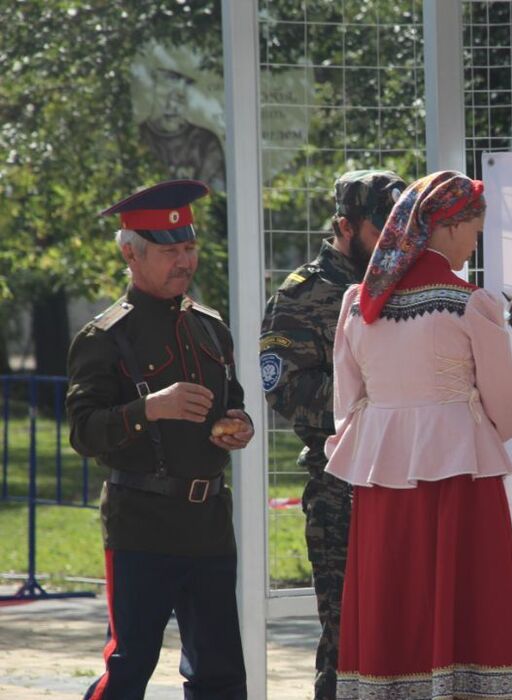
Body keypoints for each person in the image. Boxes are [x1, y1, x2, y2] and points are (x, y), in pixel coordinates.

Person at [324, 170, 512, 699]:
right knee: (468, 592)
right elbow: (507, 405)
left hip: (381, 476)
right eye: (473, 230)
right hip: (458, 472)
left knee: (391, 590)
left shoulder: (358, 302)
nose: (474, 244)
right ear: (447, 226)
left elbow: (348, 401)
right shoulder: (468, 302)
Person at [67, 179, 254, 700]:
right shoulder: (105, 337)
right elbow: (83, 431)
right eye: (170, 251)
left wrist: (238, 425)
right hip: (141, 525)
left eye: (189, 248)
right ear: (131, 253)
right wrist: (150, 408)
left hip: (208, 523)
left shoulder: (211, 327)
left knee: (221, 674)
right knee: (129, 668)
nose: (184, 261)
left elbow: (232, 399)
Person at [259, 169, 406, 700]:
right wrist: (375, 401)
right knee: (348, 643)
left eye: (400, 226)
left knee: (412, 637)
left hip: (409, 481)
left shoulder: (408, 282)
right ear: (345, 226)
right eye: (380, 228)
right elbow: (286, 389)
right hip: (341, 490)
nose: (392, 240)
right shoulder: (303, 295)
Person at [139, 67, 226, 191]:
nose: (173, 105)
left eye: (180, 97)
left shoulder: (205, 143)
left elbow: (217, 195)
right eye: (167, 94)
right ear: (152, 87)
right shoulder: (136, 137)